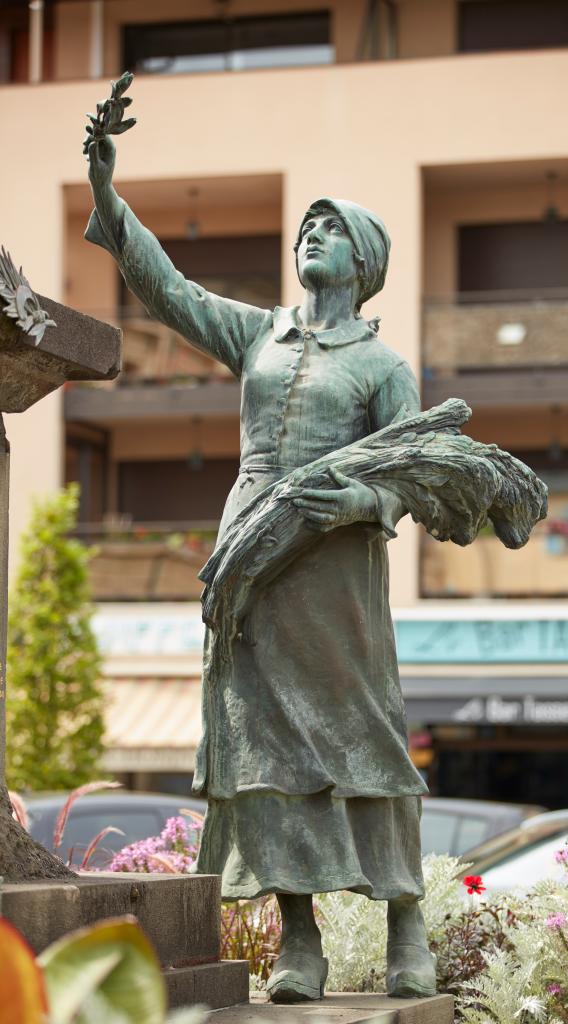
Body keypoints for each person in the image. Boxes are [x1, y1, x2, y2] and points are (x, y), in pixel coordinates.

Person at [86, 134, 437, 1003]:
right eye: (304, 226)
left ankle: (405, 925)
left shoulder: (385, 366)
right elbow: (166, 291)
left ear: (364, 259)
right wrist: (105, 185)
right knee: (259, 748)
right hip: (247, 560)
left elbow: (414, 473)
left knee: (366, 734)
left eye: (330, 227)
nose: (309, 234)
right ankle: (302, 943)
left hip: (334, 568)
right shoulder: (259, 335)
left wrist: (358, 505)